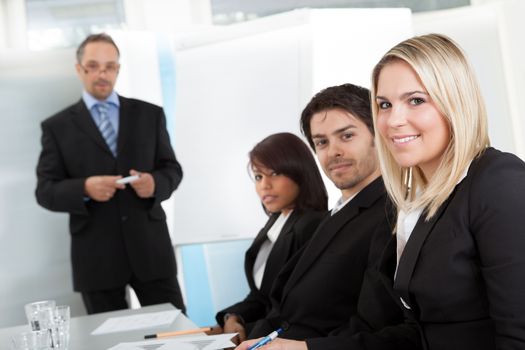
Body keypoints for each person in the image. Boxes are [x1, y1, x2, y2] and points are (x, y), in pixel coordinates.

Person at [35, 33, 186, 314]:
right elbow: (45, 191)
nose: (102, 73)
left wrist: (154, 183)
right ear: (79, 69)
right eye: (93, 65)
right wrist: (84, 188)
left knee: (178, 336)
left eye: (110, 66)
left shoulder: (150, 115)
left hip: (151, 251)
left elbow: (172, 170)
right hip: (96, 259)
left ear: (118, 69)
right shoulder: (56, 127)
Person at [236, 83, 397, 344]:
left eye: (346, 136)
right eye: (322, 142)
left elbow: (374, 326)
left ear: (377, 135)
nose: (333, 151)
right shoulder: (337, 213)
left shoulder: (390, 214)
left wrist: (302, 348)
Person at [214, 132, 328, 343]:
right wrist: (234, 316)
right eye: (258, 176)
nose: (264, 185)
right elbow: (262, 296)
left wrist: (247, 332)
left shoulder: (312, 225)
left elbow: (294, 309)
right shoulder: (277, 222)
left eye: (274, 173)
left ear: (299, 172)